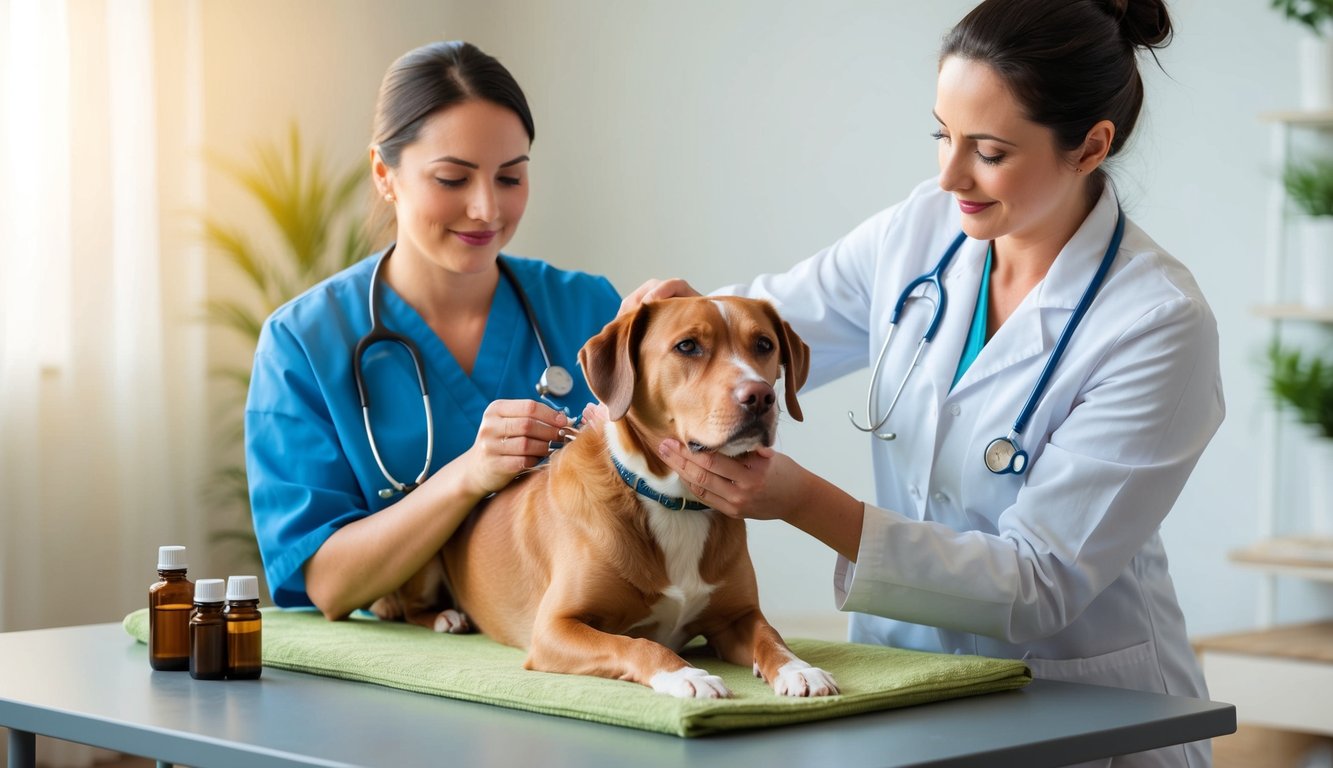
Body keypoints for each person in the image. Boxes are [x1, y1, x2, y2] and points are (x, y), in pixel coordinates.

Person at [625, 1, 1221, 765]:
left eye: (989, 150)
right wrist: (681, 326)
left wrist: (803, 503)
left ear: (1090, 146)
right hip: (901, 686)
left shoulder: (1156, 322)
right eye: (941, 135)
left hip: (1079, 710)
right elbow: (768, 332)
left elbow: (1040, 584)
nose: (948, 175)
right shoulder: (921, 230)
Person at [245, 41, 620, 622]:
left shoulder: (587, 307)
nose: (486, 210)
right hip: (401, 678)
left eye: (510, 178)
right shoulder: (304, 342)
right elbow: (327, 581)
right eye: (452, 179)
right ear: (384, 174)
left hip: (582, 646)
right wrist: (468, 475)